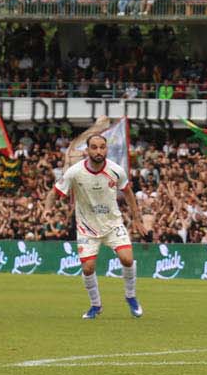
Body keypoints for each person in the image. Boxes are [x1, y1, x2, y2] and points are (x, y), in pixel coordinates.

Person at [44, 134, 145, 319]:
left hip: (112, 224)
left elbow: (128, 193)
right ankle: (95, 306)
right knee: (88, 268)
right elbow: (54, 193)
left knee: (127, 259)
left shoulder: (116, 170)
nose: (99, 151)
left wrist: (137, 218)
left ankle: (131, 296)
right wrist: (47, 210)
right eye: (94, 147)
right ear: (87, 150)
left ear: (106, 149)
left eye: (102, 147)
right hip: (87, 228)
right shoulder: (74, 172)